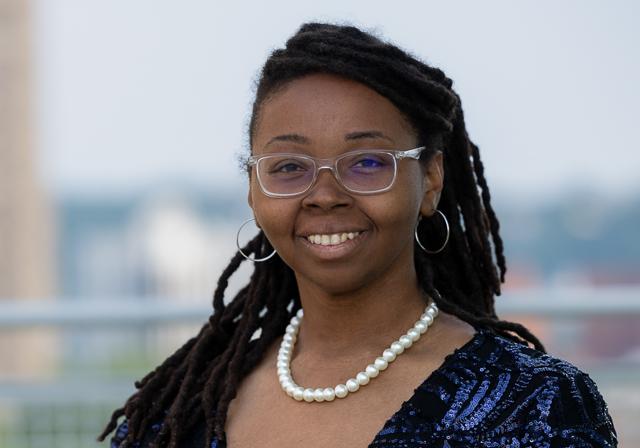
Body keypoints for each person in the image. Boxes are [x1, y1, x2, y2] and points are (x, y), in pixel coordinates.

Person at [99, 23, 617, 447]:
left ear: (431, 180)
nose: (325, 194)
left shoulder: (535, 406)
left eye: (368, 162)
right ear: (253, 191)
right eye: (288, 166)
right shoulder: (178, 413)